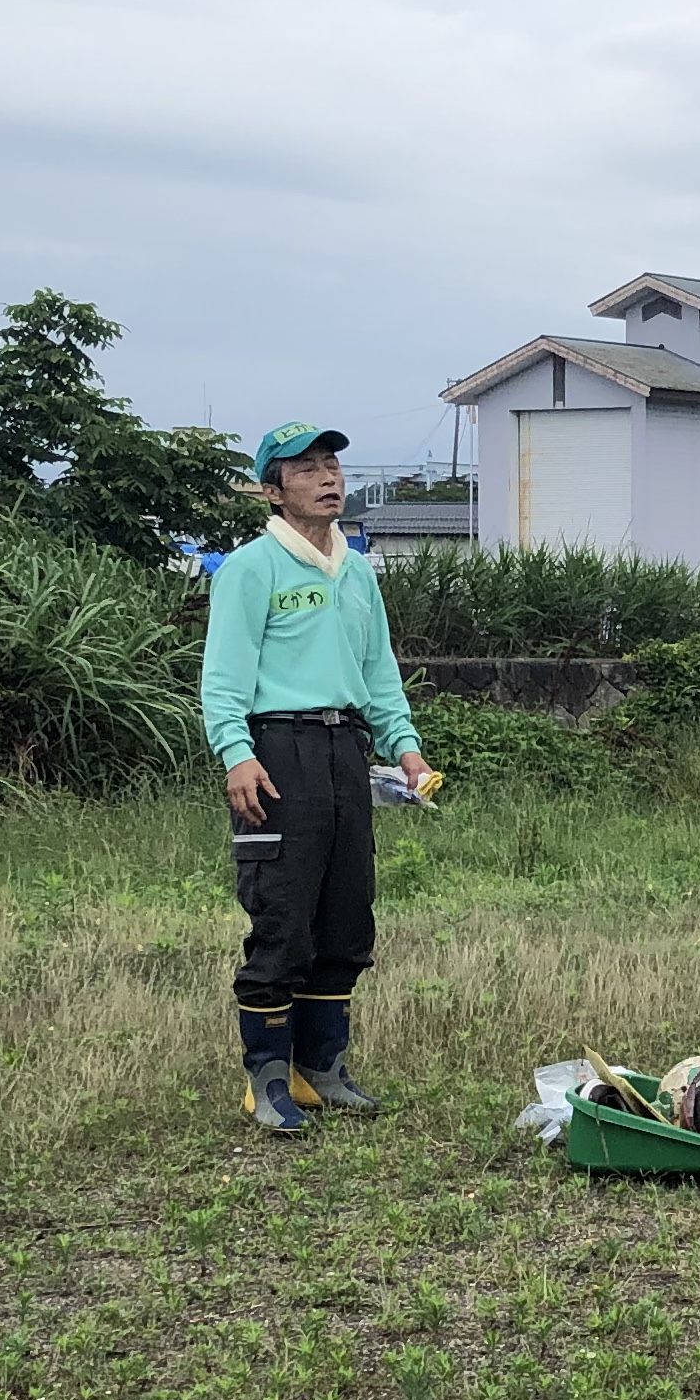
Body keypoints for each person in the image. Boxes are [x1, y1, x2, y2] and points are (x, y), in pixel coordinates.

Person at [201, 424, 432, 1134]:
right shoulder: (252, 567)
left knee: (345, 914)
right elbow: (223, 674)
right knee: (283, 916)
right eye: (306, 469)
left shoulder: (357, 571)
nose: (328, 477)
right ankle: (267, 1077)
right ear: (273, 490)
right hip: (277, 749)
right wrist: (236, 752)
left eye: (332, 464)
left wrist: (407, 747)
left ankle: (321, 1068)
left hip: (344, 751)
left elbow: (379, 672)